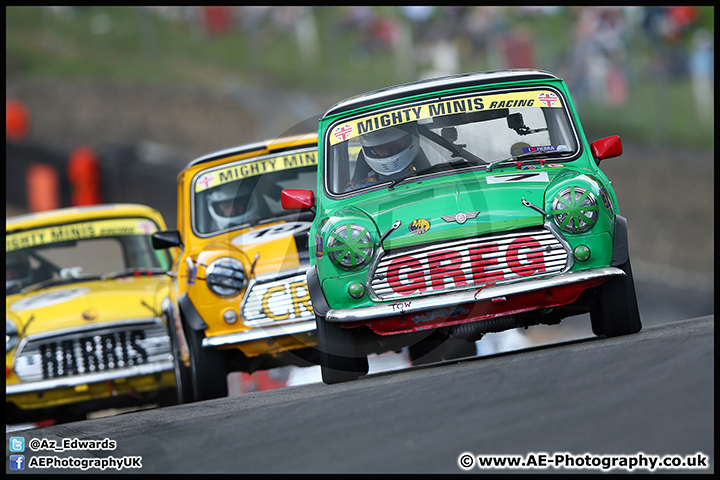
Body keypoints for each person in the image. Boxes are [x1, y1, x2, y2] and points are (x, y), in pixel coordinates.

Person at [346, 123, 429, 191]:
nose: (387, 152)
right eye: (380, 148)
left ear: (404, 143)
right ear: (372, 151)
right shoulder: (357, 190)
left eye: (393, 145)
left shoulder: (432, 177)